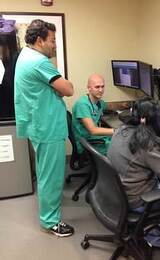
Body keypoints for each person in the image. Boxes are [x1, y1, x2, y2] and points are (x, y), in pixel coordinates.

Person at [14, 19, 74, 237]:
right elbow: (68, 89)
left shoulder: (24, 55)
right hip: (48, 129)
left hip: (38, 126)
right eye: (52, 40)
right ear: (39, 40)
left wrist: (54, 89)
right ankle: (50, 222)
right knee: (52, 176)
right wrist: (59, 89)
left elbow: (52, 88)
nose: (55, 45)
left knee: (44, 172)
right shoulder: (39, 62)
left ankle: (48, 206)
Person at [107, 96, 160, 248]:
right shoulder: (147, 145)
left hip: (116, 191)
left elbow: (139, 146)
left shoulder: (121, 129)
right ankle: (152, 239)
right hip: (137, 200)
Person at [72, 74, 129, 155]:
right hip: (87, 143)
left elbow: (110, 106)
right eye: (97, 87)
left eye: (102, 86)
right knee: (122, 146)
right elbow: (93, 130)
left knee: (120, 140)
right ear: (89, 88)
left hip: (94, 138)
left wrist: (122, 105)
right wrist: (117, 130)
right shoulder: (82, 105)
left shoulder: (97, 102)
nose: (101, 90)